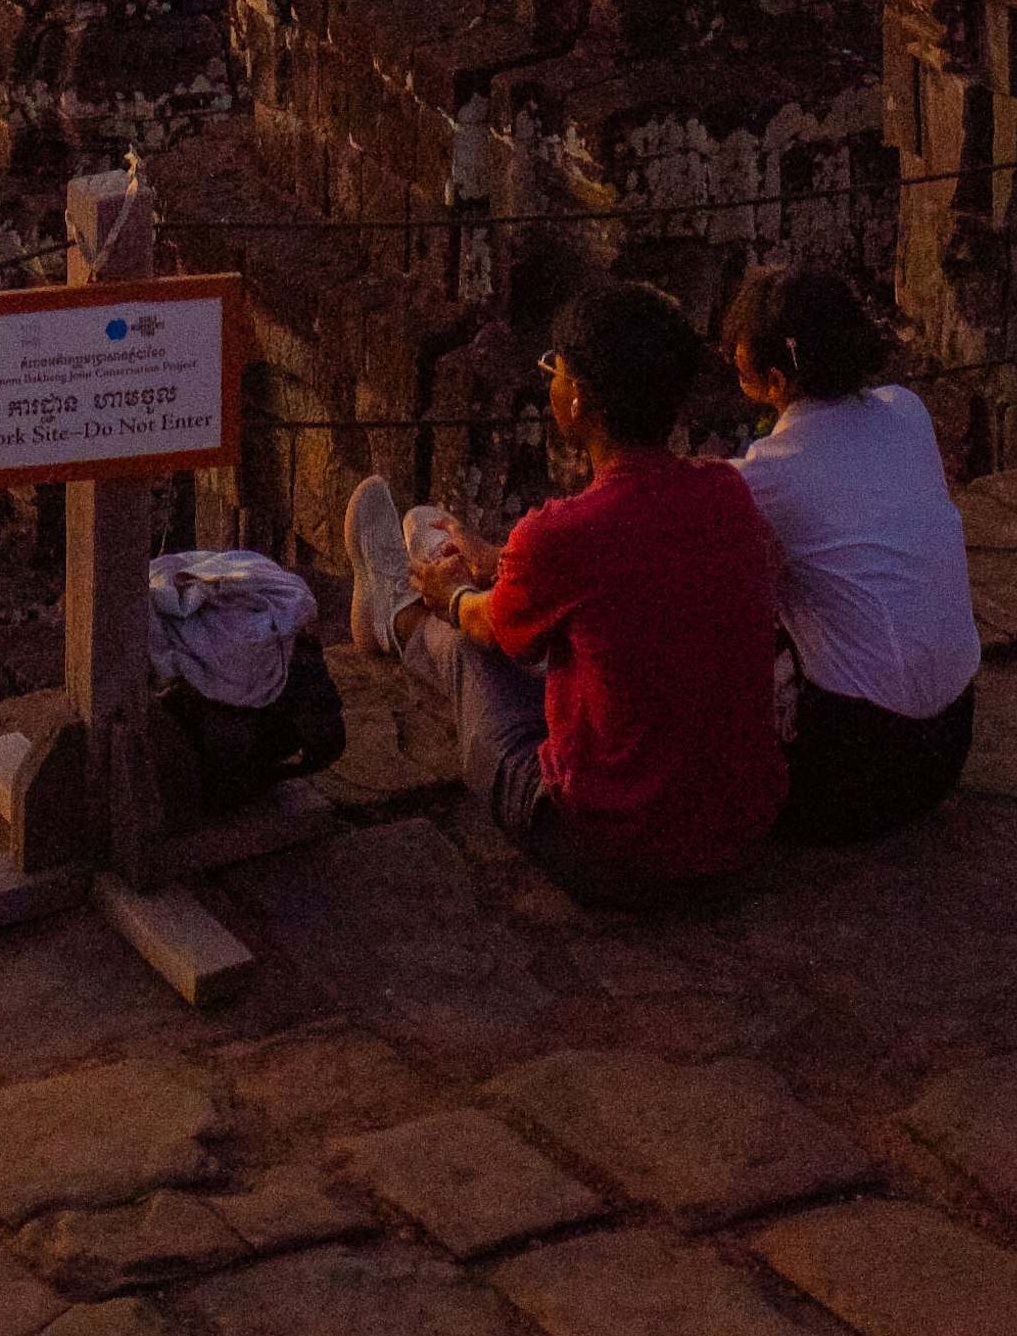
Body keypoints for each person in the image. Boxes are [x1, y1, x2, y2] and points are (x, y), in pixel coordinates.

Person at [341, 279, 783, 912]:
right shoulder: (726, 495)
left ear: (576, 402)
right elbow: (626, 583)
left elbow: (482, 622)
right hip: (738, 841)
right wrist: (502, 560)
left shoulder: (564, 534)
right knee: (580, 640)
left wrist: (454, 590)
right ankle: (411, 590)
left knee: (471, 652)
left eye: (557, 369)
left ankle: (395, 615)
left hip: (608, 854)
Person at [723, 259, 980, 843]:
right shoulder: (906, 411)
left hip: (853, 770)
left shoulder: (770, 477)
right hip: (949, 742)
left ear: (779, 380)